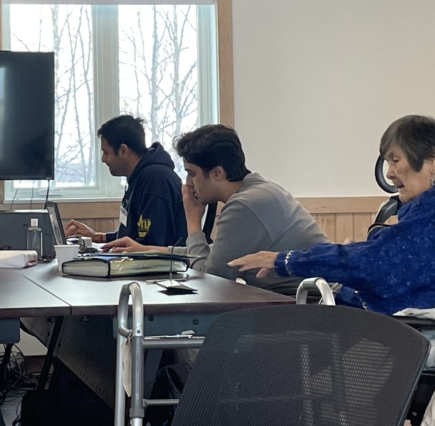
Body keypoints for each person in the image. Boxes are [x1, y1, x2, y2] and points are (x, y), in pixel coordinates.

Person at [230, 115, 435, 314]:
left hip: (397, 328)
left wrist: (285, 261)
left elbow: (376, 265)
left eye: (395, 160)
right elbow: (390, 259)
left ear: (433, 158)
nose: (389, 173)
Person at [104, 124, 327, 293]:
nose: (187, 183)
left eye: (191, 173)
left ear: (217, 173)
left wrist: (193, 221)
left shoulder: (246, 205)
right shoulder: (256, 189)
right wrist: (146, 250)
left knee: (186, 333)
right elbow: (214, 258)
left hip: (311, 305)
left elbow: (210, 278)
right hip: (300, 300)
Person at [65, 115, 187, 248]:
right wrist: (99, 237)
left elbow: (151, 247)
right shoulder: (140, 177)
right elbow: (135, 236)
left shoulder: (155, 179)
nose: (103, 159)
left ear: (123, 150)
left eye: (106, 152)